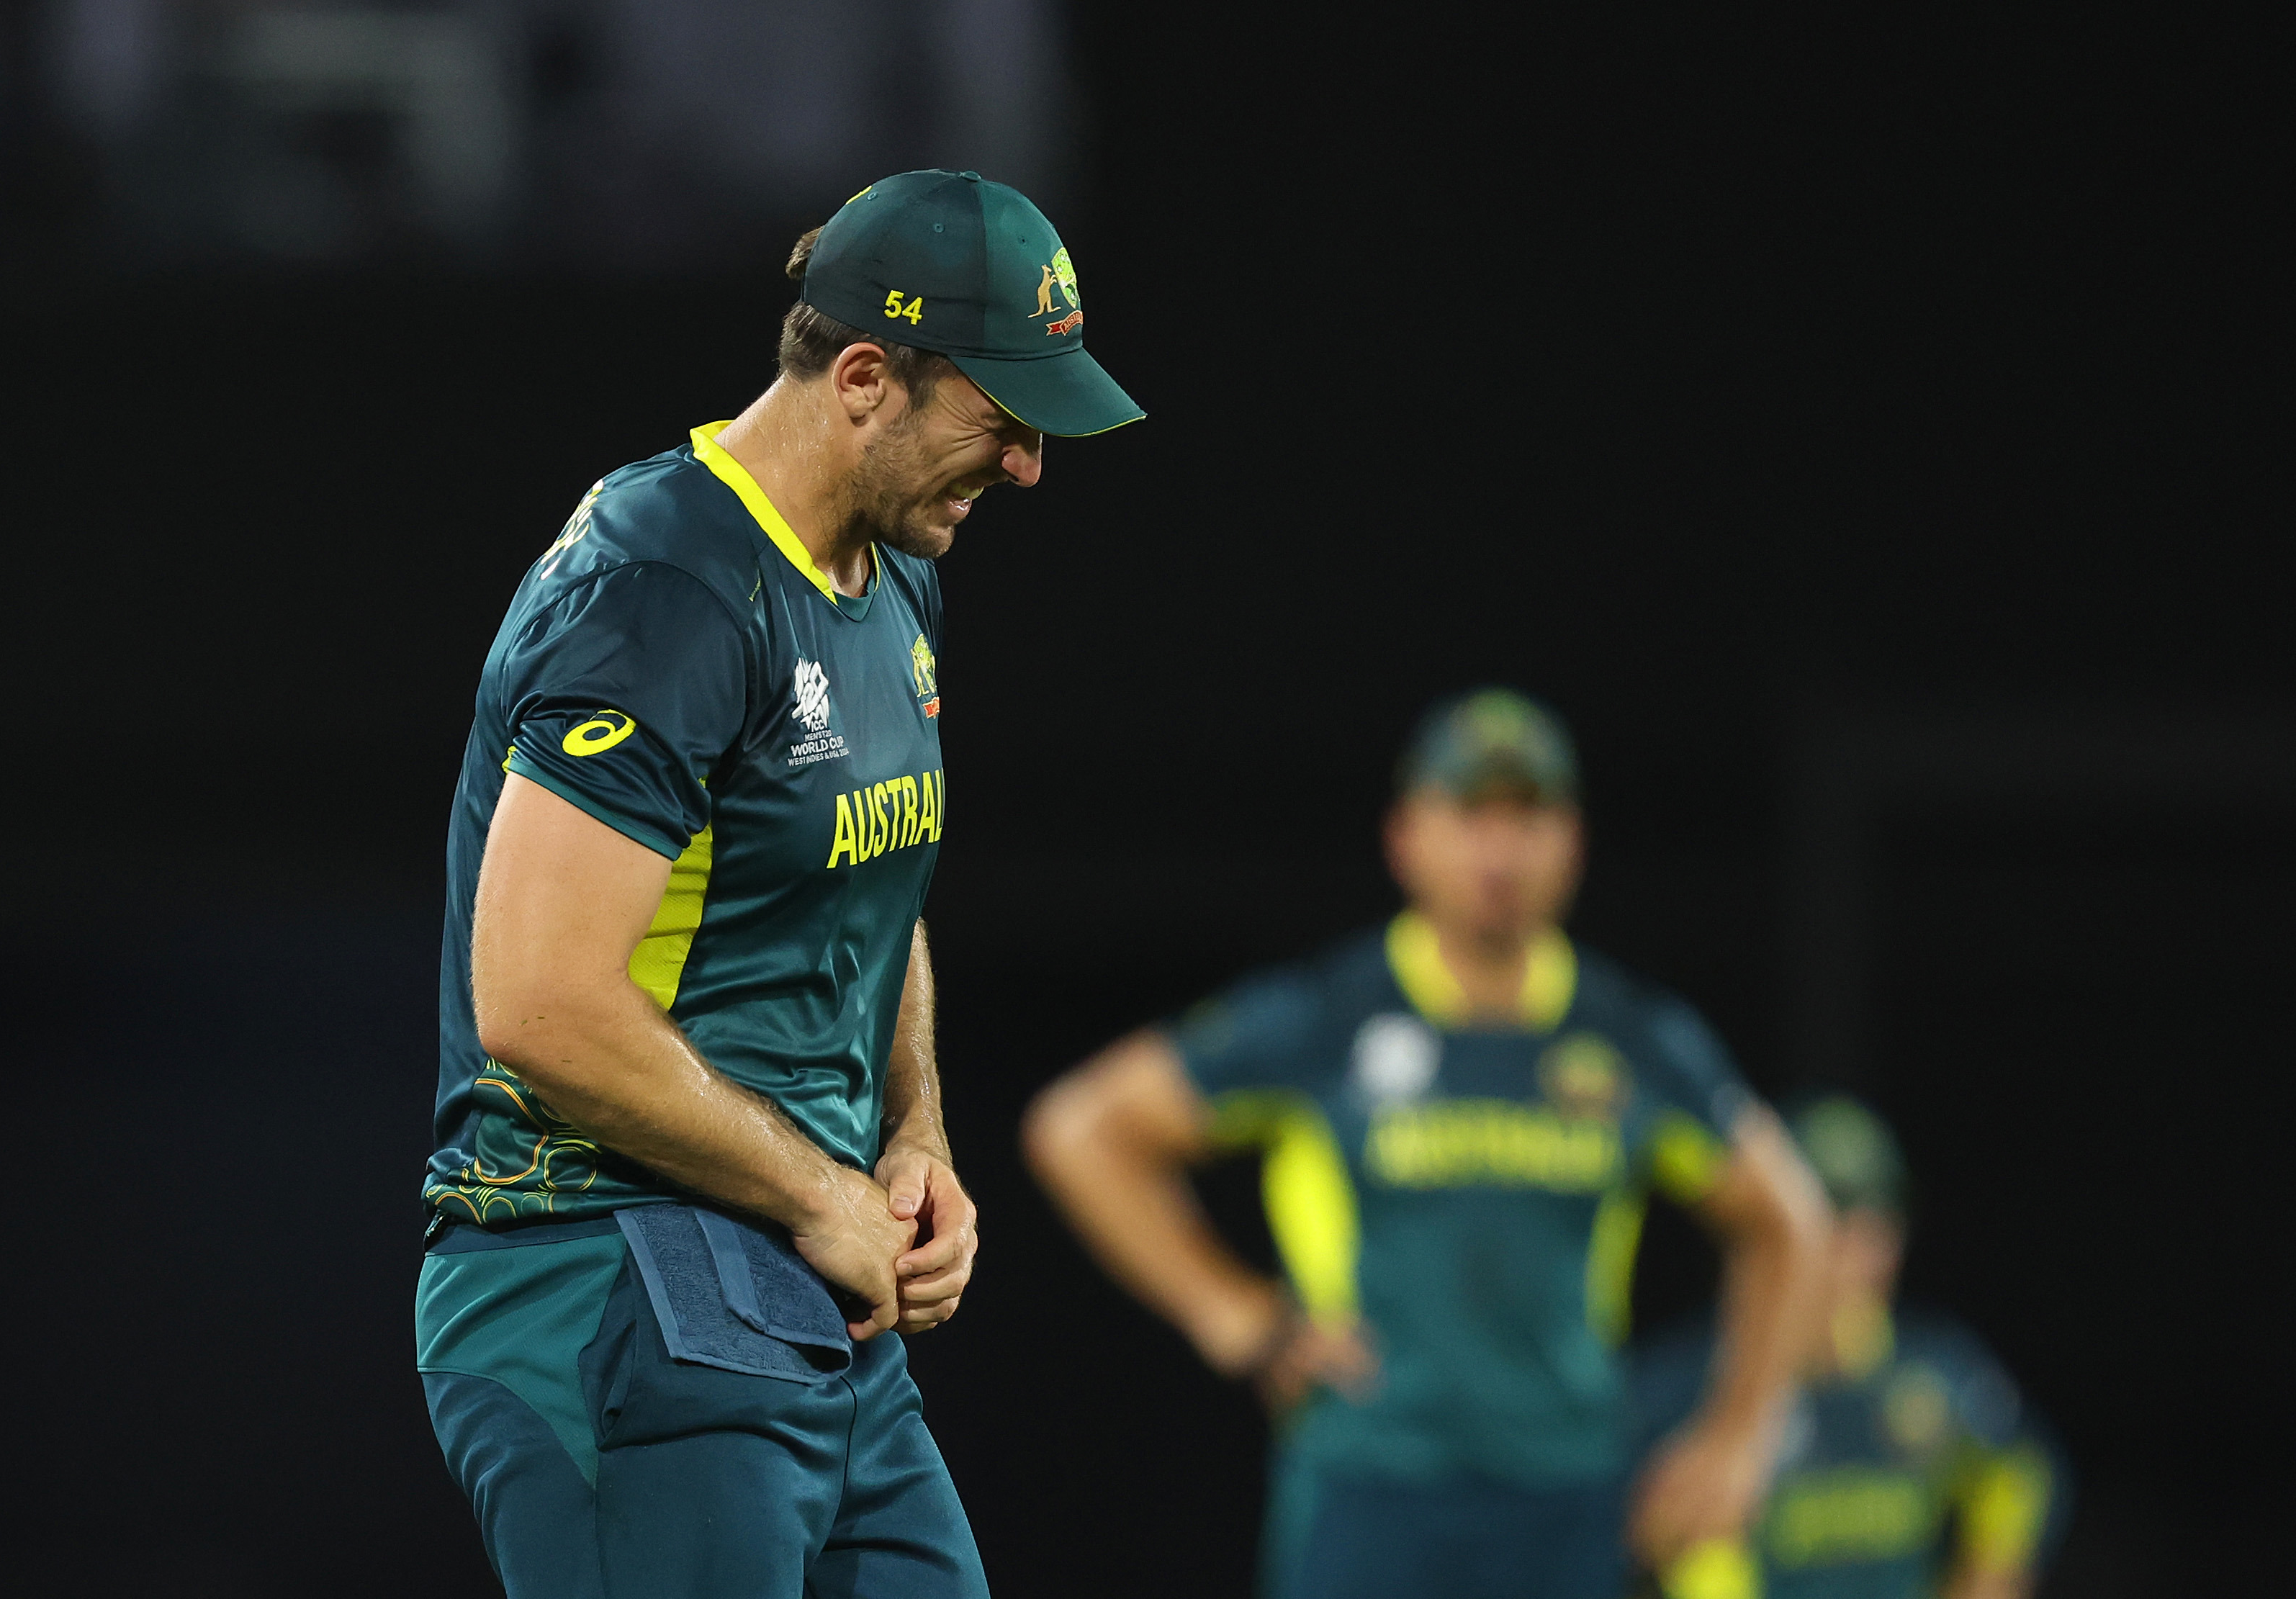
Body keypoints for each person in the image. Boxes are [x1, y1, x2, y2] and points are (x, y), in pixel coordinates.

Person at [413, 168, 1142, 1598]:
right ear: (865, 376)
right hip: (599, 1266)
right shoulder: (663, 590)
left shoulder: (891, 569)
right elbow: (541, 1001)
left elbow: (869, 893)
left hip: (804, 1291)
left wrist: (911, 1138)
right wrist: (817, 1192)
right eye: (1003, 421)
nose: (1028, 467)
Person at [1022, 690, 1832, 1599]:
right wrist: (1233, 1313)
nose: (1499, 851)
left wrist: (1744, 1437)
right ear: (1405, 836)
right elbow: (1082, 1130)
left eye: (1526, 817)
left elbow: (1790, 1218)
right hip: (1373, 1487)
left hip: (1563, 1493)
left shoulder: (1632, 1039)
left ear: (1571, 840)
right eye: (1470, 815)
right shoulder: (1329, 1018)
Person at [1633, 1097, 2066, 1599]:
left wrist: (1986, 1575)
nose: (1859, 1246)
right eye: (1830, 1215)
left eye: (1879, 1216)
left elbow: (2021, 1466)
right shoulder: (1683, 1383)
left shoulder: (1933, 1371)